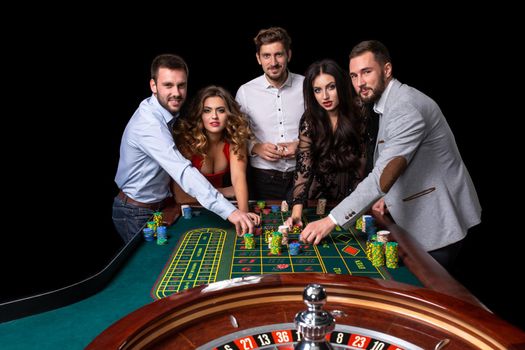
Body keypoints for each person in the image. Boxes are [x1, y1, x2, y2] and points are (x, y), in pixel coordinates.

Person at [300, 40, 481, 270]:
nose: (359, 83)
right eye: (354, 76)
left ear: (387, 70)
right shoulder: (388, 103)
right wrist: (387, 196)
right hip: (424, 214)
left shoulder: (405, 107)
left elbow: (382, 176)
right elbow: (403, 160)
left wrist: (331, 221)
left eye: (366, 72)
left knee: (428, 301)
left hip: (438, 222)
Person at [112, 54, 255, 243]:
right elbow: (183, 171)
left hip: (158, 207)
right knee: (155, 269)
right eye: (168, 85)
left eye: (181, 85)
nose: (177, 93)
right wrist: (231, 212)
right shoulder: (149, 124)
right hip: (136, 211)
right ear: (153, 86)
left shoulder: (169, 115)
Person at [284, 59, 365, 228]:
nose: (325, 96)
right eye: (317, 90)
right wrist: (297, 212)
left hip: (352, 193)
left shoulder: (360, 112)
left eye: (331, 87)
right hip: (317, 195)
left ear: (341, 86)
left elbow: (363, 165)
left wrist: (356, 205)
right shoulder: (309, 120)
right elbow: (303, 166)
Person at [235, 26, 304, 200]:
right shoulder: (245, 92)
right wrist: (255, 148)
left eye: (278, 54)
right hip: (263, 178)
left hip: (303, 174)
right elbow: (237, 135)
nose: (273, 62)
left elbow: (322, 127)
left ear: (288, 55)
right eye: (266, 56)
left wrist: (301, 145)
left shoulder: (307, 86)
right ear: (258, 58)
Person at [173, 85, 259, 223]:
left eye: (221, 110)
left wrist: (244, 214)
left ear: (229, 114)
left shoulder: (235, 139)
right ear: (200, 114)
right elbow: (181, 197)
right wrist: (224, 192)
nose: (214, 116)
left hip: (219, 209)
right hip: (189, 210)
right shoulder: (187, 142)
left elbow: (238, 179)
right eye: (207, 111)